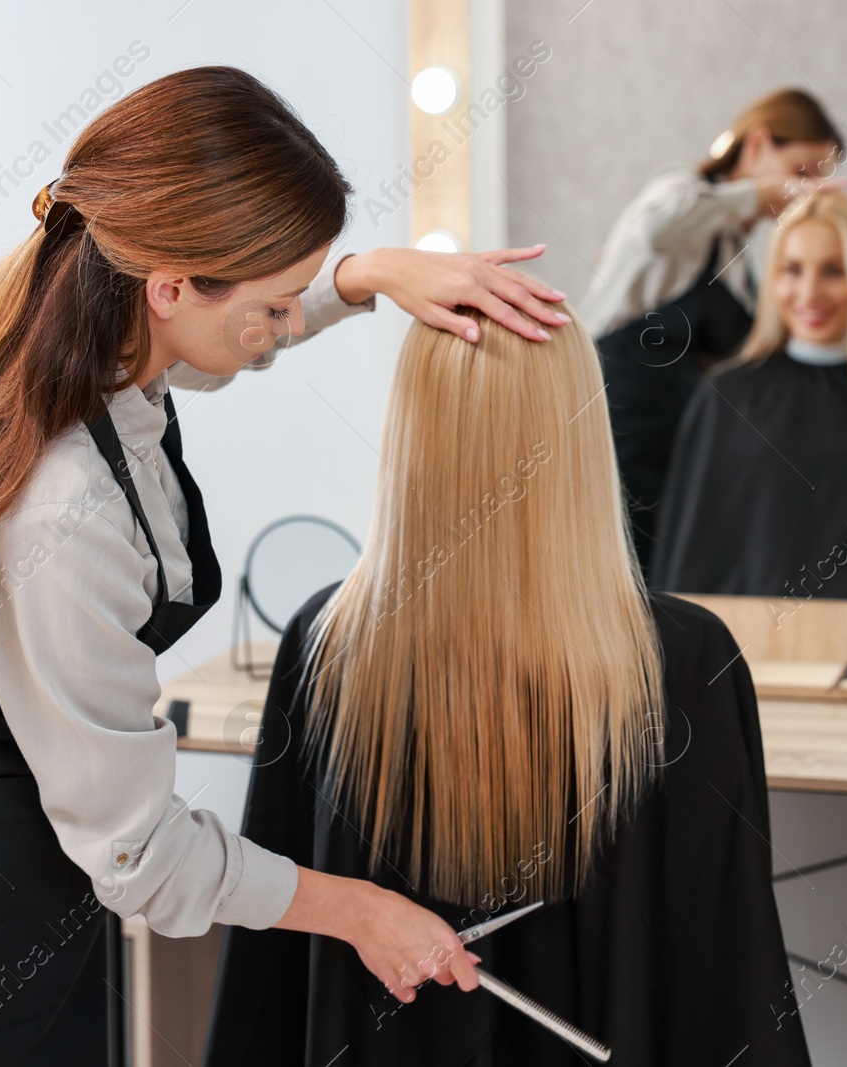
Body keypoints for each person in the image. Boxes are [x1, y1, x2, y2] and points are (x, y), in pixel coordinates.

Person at [0, 66, 574, 1063]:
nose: (283, 332)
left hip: (14, 853)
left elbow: (223, 330)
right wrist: (362, 910)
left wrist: (367, 276)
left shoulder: (98, 343)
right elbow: (142, 855)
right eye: (279, 306)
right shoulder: (60, 505)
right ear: (169, 285)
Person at [204, 304, 812, 1066]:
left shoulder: (325, 640)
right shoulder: (688, 657)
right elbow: (725, 963)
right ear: (582, 432)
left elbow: (273, 980)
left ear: (410, 437)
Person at [580, 88, 846, 573]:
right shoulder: (679, 192)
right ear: (760, 142)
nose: (802, 192)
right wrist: (759, 194)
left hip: (672, 431)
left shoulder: (732, 246)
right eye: (802, 172)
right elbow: (658, 232)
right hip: (614, 413)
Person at [651, 190, 847, 601]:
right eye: (792, 269)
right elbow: (690, 557)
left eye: (834, 270)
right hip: (747, 652)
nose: (809, 291)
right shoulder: (728, 399)